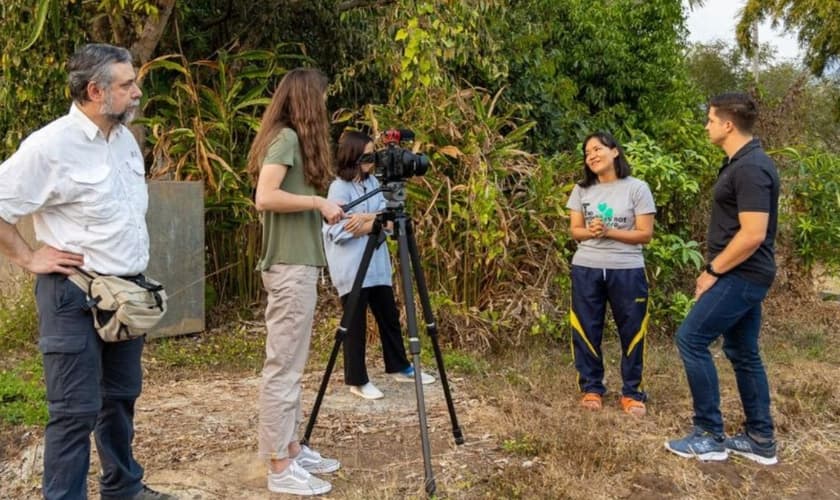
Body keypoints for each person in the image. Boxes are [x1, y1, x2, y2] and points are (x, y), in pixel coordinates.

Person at [0, 44, 175, 500]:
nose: (137, 92)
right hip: (71, 296)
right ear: (95, 91)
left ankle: (123, 489)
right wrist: (27, 257)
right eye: (127, 84)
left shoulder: (125, 141)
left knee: (119, 401)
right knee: (74, 412)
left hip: (123, 298)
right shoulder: (50, 146)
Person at [666, 93, 780, 465]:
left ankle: (709, 435)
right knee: (742, 352)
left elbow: (752, 234)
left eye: (711, 120)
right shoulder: (741, 163)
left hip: (741, 273)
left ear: (728, 124)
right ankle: (760, 439)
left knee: (691, 338)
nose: (707, 126)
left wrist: (712, 271)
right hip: (745, 273)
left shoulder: (750, 168)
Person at [247, 68, 344, 496]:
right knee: (283, 368)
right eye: (320, 98)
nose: (323, 106)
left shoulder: (290, 140)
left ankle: (291, 445)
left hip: (298, 264)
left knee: (292, 365)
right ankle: (279, 466)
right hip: (288, 268)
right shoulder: (285, 138)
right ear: (306, 100)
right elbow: (264, 197)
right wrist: (316, 202)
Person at [322, 131, 435, 400]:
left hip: (377, 265)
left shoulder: (375, 182)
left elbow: (389, 220)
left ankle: (399, 366)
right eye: (366, 155)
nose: (371, 161)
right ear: (352, 155)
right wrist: (371, 221)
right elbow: (339, 230)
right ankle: (357, 380)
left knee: (389, 317)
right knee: (355, 324)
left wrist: (365, 218)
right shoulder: (339, 187)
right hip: (352, 267)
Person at [565, 132, 656, 416]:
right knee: (586, 328)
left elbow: (645, 234)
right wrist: (589, 232)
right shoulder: (582, 190)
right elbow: (575, 231)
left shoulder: (637, 188)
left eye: (597, 149)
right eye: (587, 152)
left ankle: (632, 392)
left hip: (627, 270)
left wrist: (610, 232)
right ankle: (591, 388)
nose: (591, 155)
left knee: (632, 330)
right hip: (587, 267)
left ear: (615, 152)